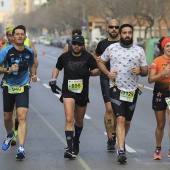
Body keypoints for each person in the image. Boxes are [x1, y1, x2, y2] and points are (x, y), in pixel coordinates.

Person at [97, 24, 148, 163]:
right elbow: (100, 62)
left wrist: (140, 71)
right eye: (124, 32)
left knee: (127, 121)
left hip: (132, 90)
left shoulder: (139, 50)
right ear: (120, 34)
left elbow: (145, 71)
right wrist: (107, 73)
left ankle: (121, 140)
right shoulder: (111, 48)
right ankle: (121, 150)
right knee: (119, 119)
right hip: (116, 88)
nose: (127, 35)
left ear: (132, 34)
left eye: (129, 33)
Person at [49, 35, 99, 158]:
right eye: (74, 43)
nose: (76, 46)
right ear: (71, 44)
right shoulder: (65, 57)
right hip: (68, 91)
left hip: (82, 92)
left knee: (79, 120)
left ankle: (76, 140)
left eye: (79, 44)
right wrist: (53, 80)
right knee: (69, 119)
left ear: (83, 46)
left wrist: (90, 73)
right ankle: (70, 148)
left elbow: (97, 70)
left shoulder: (88, 57)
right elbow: (57, 68)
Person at [0, 25, 37, 159]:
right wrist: (8, 70)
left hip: (23, 86)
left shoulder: (29, 52)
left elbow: (32, 63)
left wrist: (33, 74)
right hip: (9, 86)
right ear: (13, 37)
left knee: (22, 116)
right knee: (7, 117)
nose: (20, 36)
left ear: (25, 37)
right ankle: (10, 134)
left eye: (22, 34)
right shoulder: (6, 51)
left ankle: (21, 148)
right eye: (17, 34)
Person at [93, 19, 120, 151]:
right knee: (109, 109)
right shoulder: (102, 44)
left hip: (122, 80)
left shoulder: (124, 43)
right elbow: (95, 56)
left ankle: (117, 133)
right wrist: (97, 62)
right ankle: (110, 138)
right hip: (105, 78)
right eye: (111, 27)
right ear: (107, 28)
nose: (114, 29)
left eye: (116, 27)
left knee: (118, 110)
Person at [148, 36, 170, 160]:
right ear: (163, 48)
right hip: (160, 94)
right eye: (167, 46)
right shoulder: (157, 61)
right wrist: (163, 73)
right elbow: (150, 80)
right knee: (161, 124)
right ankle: (158, 147)